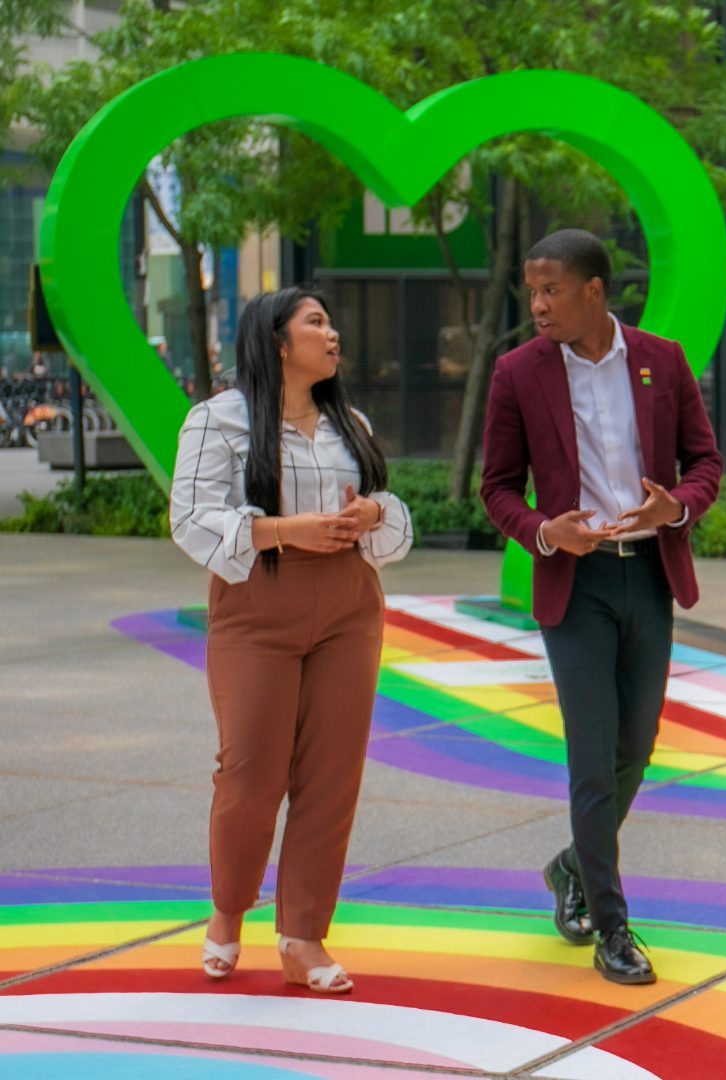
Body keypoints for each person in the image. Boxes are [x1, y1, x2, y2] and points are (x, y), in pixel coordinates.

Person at [480, 229, 724, 985]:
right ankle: (611, 928)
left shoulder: (663, 361)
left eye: (551, 289)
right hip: (575, 584)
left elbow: (706, 462)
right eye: (532, 291)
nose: (538, 305)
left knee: (635, 751)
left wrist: (674, 509)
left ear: (593, 290)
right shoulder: (517, 373)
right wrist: (542, 531)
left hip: (648, 575)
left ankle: (569, 864)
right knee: (592, 760)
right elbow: (495, 487)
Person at [169, 288, 414, 995]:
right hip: (258, 598)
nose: (333, 334)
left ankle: (303, 935)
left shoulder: (351, 421)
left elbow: (394, 524)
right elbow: (190, 518)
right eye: (317, 323)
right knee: (250, 774)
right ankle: (226, 911)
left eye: (332, 322)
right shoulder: (218, 419)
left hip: (349, 604)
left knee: (331, 775)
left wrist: (373, 512)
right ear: (277, 341)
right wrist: (286, 530)